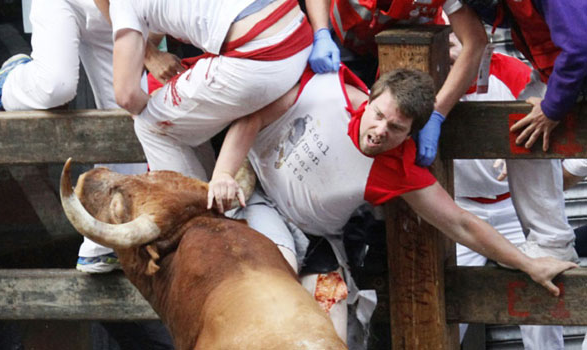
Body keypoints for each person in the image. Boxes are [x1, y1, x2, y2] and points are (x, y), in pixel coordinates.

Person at [207, 67, 577, 347]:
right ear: (368, 98)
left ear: (409, 135)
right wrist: (223, 173)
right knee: (277, 274)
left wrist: (528, 264)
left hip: (316, 239)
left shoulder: (398, 169)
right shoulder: (324, 90)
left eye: (396, 128)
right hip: (255, 196)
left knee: (331, 334)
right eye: (379, 115)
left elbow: (461, 224)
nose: (381, 130)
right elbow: (252, 117)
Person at [0, 0, 185, 274]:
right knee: (56, 86)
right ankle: (0, 87)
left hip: (120, 17)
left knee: (131, 113)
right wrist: (149, 55)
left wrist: (146, 43)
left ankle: (104, 245)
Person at [95, 0, 312, 184]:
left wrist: (152, 105)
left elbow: (126, 95)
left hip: (258, 60)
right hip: (299, 35)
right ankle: (212, 199)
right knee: (176, 116)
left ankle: (194, 218)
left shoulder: (123, 4)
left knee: (149, 123)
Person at [453, 45, 565, 349]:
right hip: (458, 205)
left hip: (512, 205)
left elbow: (549, 111)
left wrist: (518, 156)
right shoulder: (434, 78)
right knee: (447, 298)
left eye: (459, 43)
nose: (454, 53)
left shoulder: (511, 70)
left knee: (543, 291)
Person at [303, 0, 488, 168]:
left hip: (410, 49)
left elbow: (475, 42)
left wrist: (438, 111)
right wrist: (321, 32)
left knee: (398, 132)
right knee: (335, 119)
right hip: (344, 42)